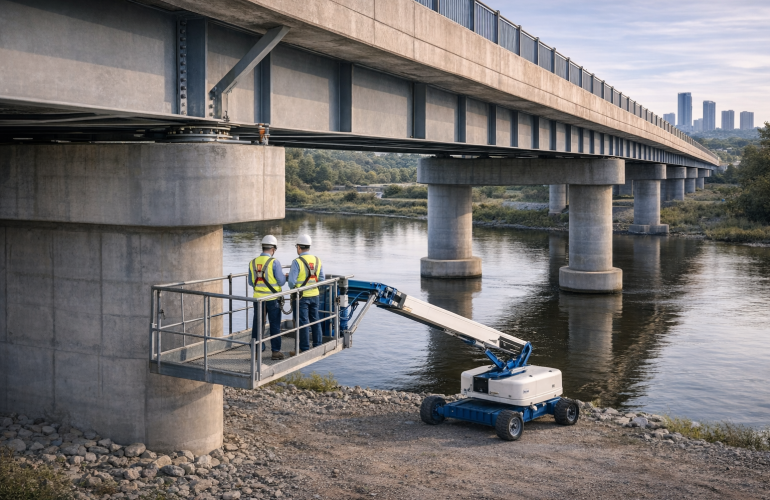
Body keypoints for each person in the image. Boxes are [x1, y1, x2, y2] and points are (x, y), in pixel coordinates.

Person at [248, 235, 287, 360]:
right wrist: (284, 276)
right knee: (274, 324)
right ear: (273, 248)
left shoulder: (252, 262)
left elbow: (250, 282)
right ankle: (275, 352)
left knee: (257, 324)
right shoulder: (274, 262)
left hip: (258, 299)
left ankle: (256, 351)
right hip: (272, 299)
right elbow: (280, 282)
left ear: (263, 247)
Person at [287, 234, 324, 354]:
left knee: (303, 322)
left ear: (298, 247)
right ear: (309, 246)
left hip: (301, 297)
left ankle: (304, 348)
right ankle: (318, 344)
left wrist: (294, 286)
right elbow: (322, 279)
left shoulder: (297, 262)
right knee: (315, 319)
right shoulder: (317, 260)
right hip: (315, 295)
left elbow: (292, 282)